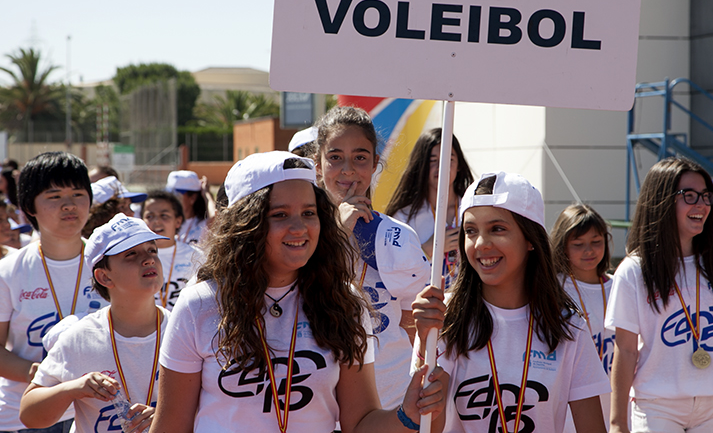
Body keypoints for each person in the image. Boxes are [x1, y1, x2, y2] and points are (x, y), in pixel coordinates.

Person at [150, 151, 446, 432]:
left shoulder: (345, 304)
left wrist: (408, 416)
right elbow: (171, 426)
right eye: (280, 214)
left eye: (309, 213)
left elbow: (360, 423)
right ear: (247, 224)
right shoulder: (200, 304)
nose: (299, 228)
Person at [413, 171, 609, 433]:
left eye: (497, 229)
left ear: (530, 239)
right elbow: (428, 426)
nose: (481, 243)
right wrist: (425, 341)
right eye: (470, 231)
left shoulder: (568, 326)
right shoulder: (445, 317)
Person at [605, 157, 713, 433]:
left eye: (706, 196)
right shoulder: (634, 270)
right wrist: (617, 422)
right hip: (658, 407)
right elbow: (626, 351)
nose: (701, 204)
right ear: (662, 199)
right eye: (689, 196)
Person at [314, 106, 431, 408]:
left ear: (375, 163)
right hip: (320, 399)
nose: (348, 169)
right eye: (335, 157)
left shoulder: (399, 235)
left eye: (360, 157)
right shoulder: (299, 236)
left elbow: (411, 320)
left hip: (388, 397)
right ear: (318, 165)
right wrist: (338, 232)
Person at [19, 214, 169, 433]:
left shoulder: (182, 329)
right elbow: (29, 415)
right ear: (104, 277)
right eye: (131, 254)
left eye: (152, 250)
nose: (148, 260)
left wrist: (167, 418)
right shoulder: (79, 337)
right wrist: (73, 388)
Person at [0, 152, 107, 433]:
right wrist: (37, 373)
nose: (69, 205)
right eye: (54, 196)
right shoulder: (9, 271)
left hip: (97, 414)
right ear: (29, 207)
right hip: (23, 417)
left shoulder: (112, 263)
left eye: (78, 194)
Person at [551, 203, 615, 431]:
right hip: (571, 408)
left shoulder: (619, 286)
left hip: (616, 403)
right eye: (578, 245)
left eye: (596, 242)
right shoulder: (554, 289)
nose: (589, 251)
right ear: (562, 247)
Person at [386, 128, 474, 282]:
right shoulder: (403, 218)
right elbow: (391, 271)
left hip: (467, 303)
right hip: (421, 304)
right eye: (433, 161)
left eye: (449, 159)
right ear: (421, 166)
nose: (441, 167)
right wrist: (427, 249)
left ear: (459, 165)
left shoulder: (473, 210)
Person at [141, 190, 202, 311]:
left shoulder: (196, 256)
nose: (156, 221)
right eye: (149, 216)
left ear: (178, 221)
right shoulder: (131, 257)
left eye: (164, 216)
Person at [82, 177, 147, 237]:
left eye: (129, 206)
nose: (131, 213)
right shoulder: (81, 246)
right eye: (121, 207)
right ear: (98, 214)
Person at [165, 170, 216, 246]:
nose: (170, 199)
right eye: (168, 194)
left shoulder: (202, 225)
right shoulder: (165, 221)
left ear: (192, 198)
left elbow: (214, 216)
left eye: (175, 195)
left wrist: (206, 193)